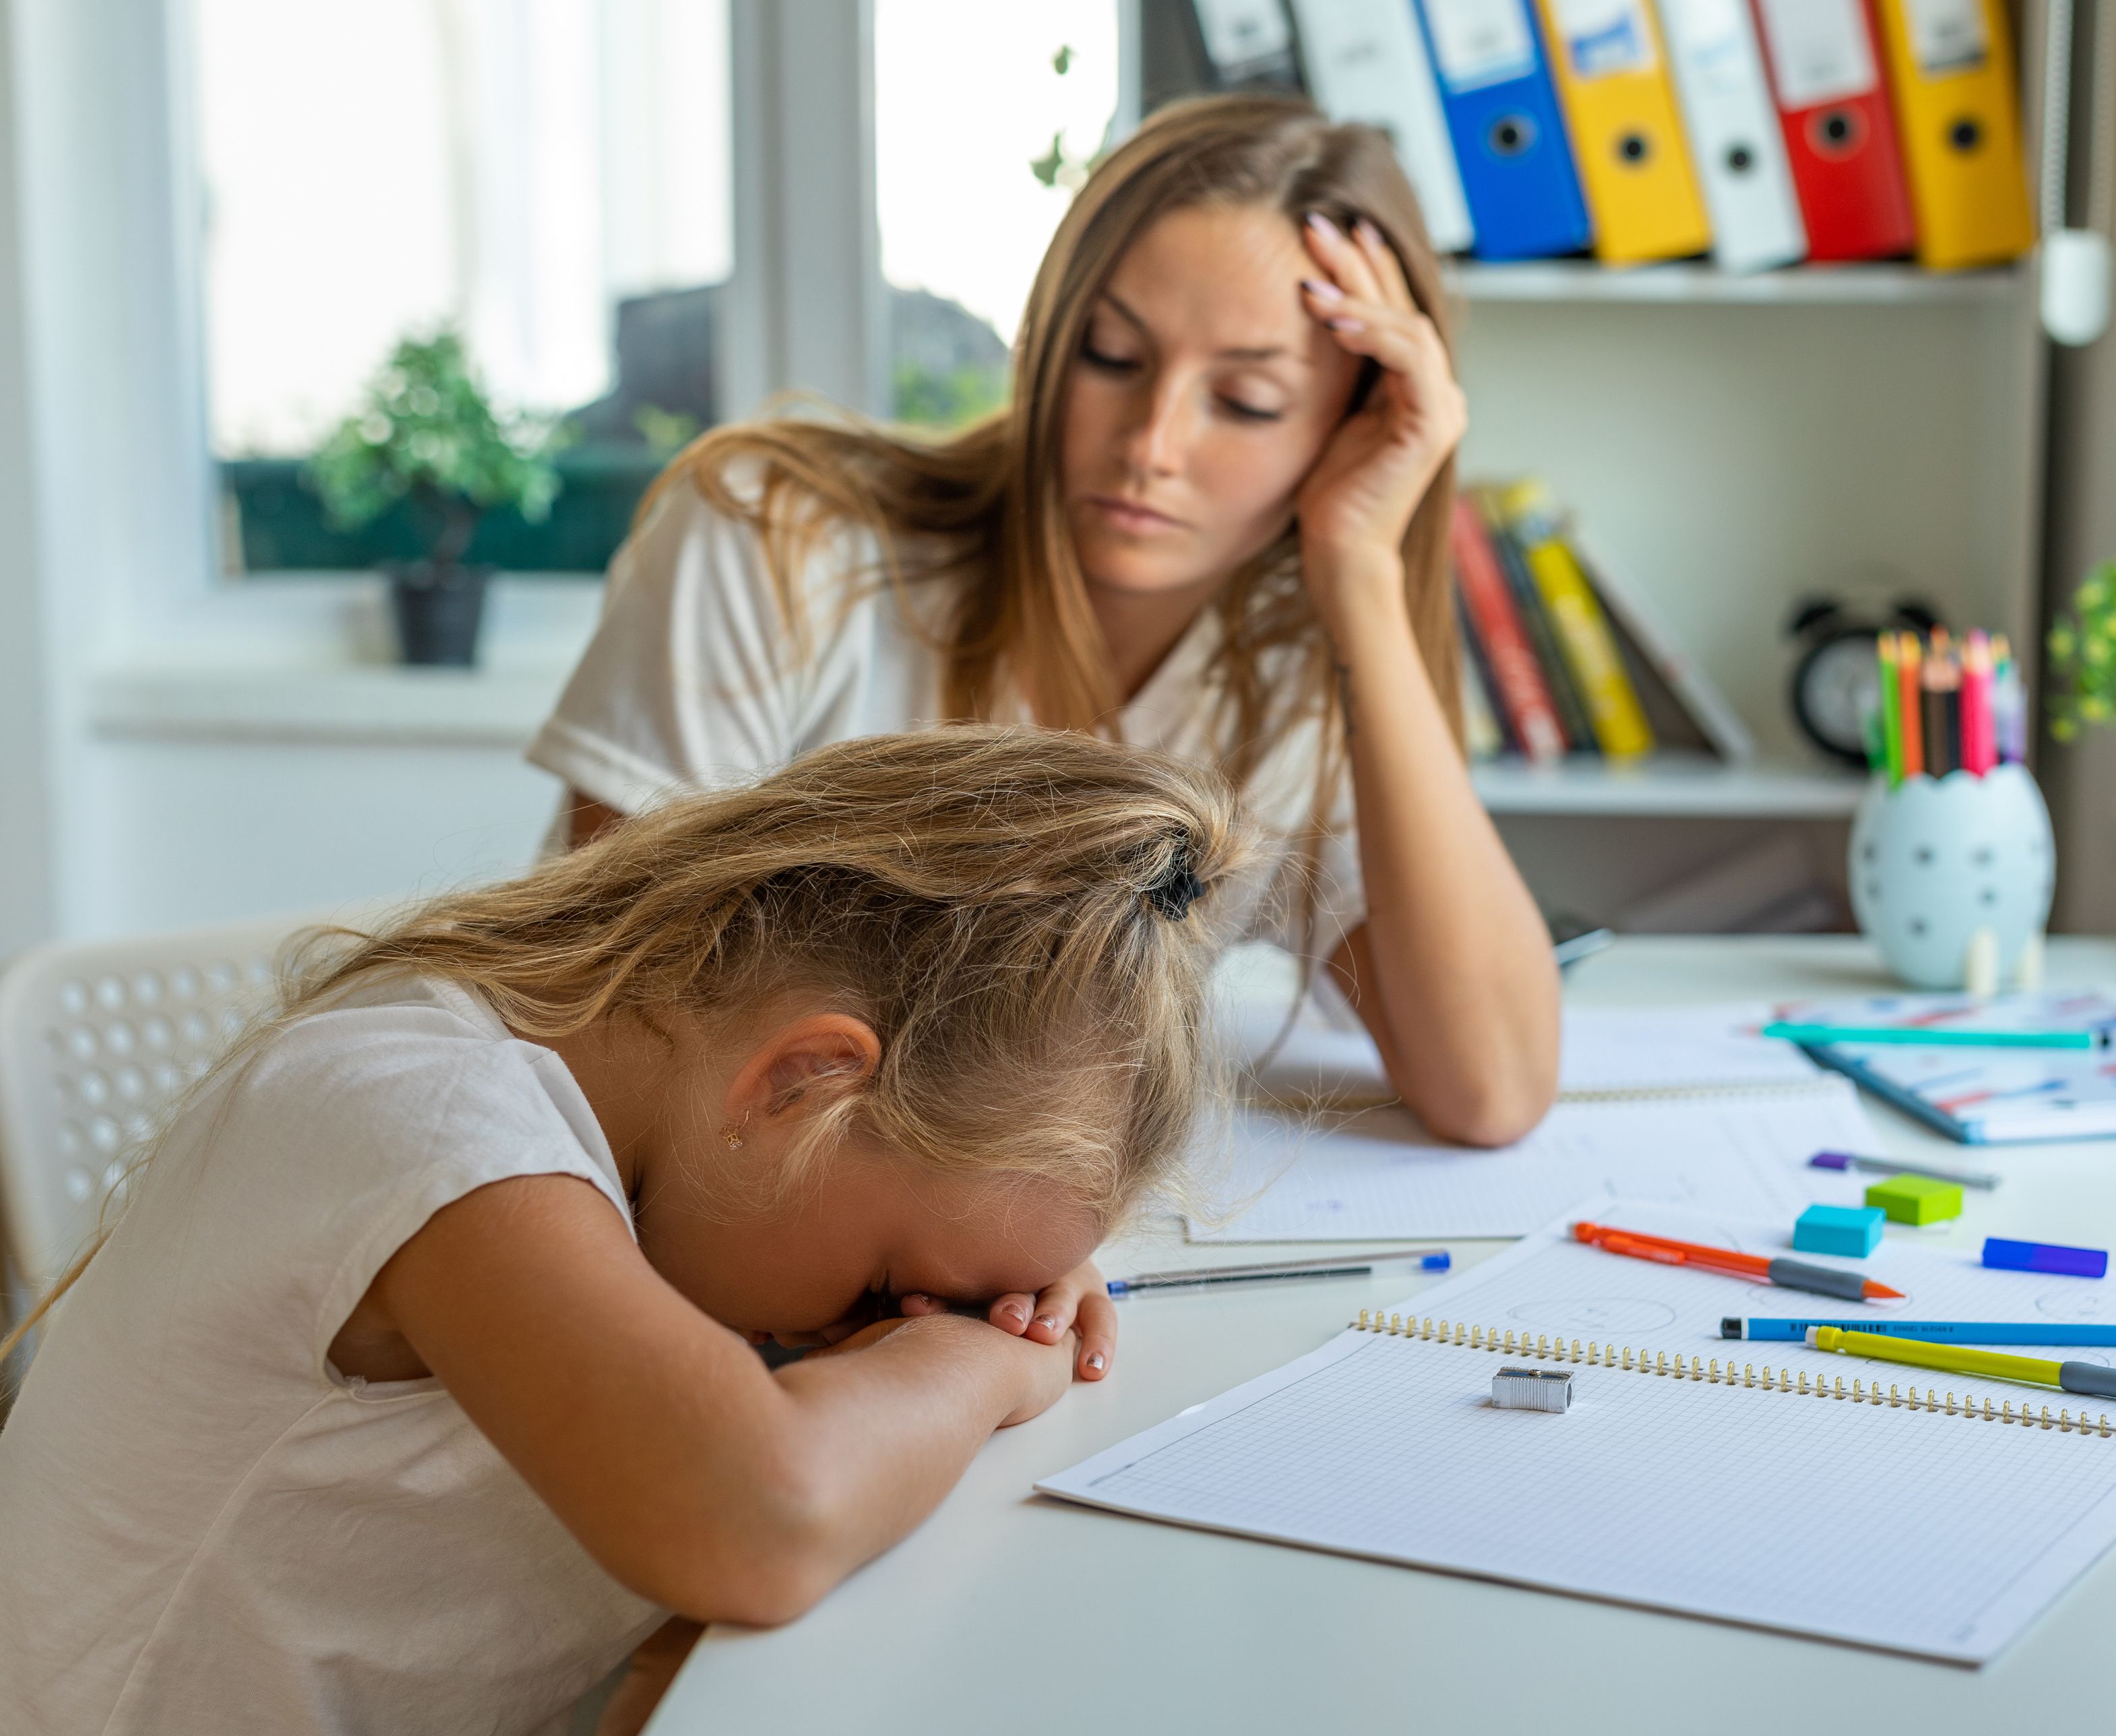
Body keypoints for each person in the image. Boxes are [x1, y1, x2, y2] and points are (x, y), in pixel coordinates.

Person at [0, 726, 1250, 1736]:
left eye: (945, 1305)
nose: (871, 1332)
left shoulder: (664, 1155)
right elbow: (760, 1518)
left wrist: (991, 1276)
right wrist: (978, 1362)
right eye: (888, 1283)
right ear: (807, 1079)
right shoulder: (432, 1119)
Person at [528, 94, 1560, 1150]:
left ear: (1349, 423)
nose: (1151, 444)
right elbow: (621, 1013)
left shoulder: (1299, 676)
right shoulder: (774, 538)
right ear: (1046, 341)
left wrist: (1364, 579)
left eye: (1247, 402)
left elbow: (1491, 1085)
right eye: (1111, 355)